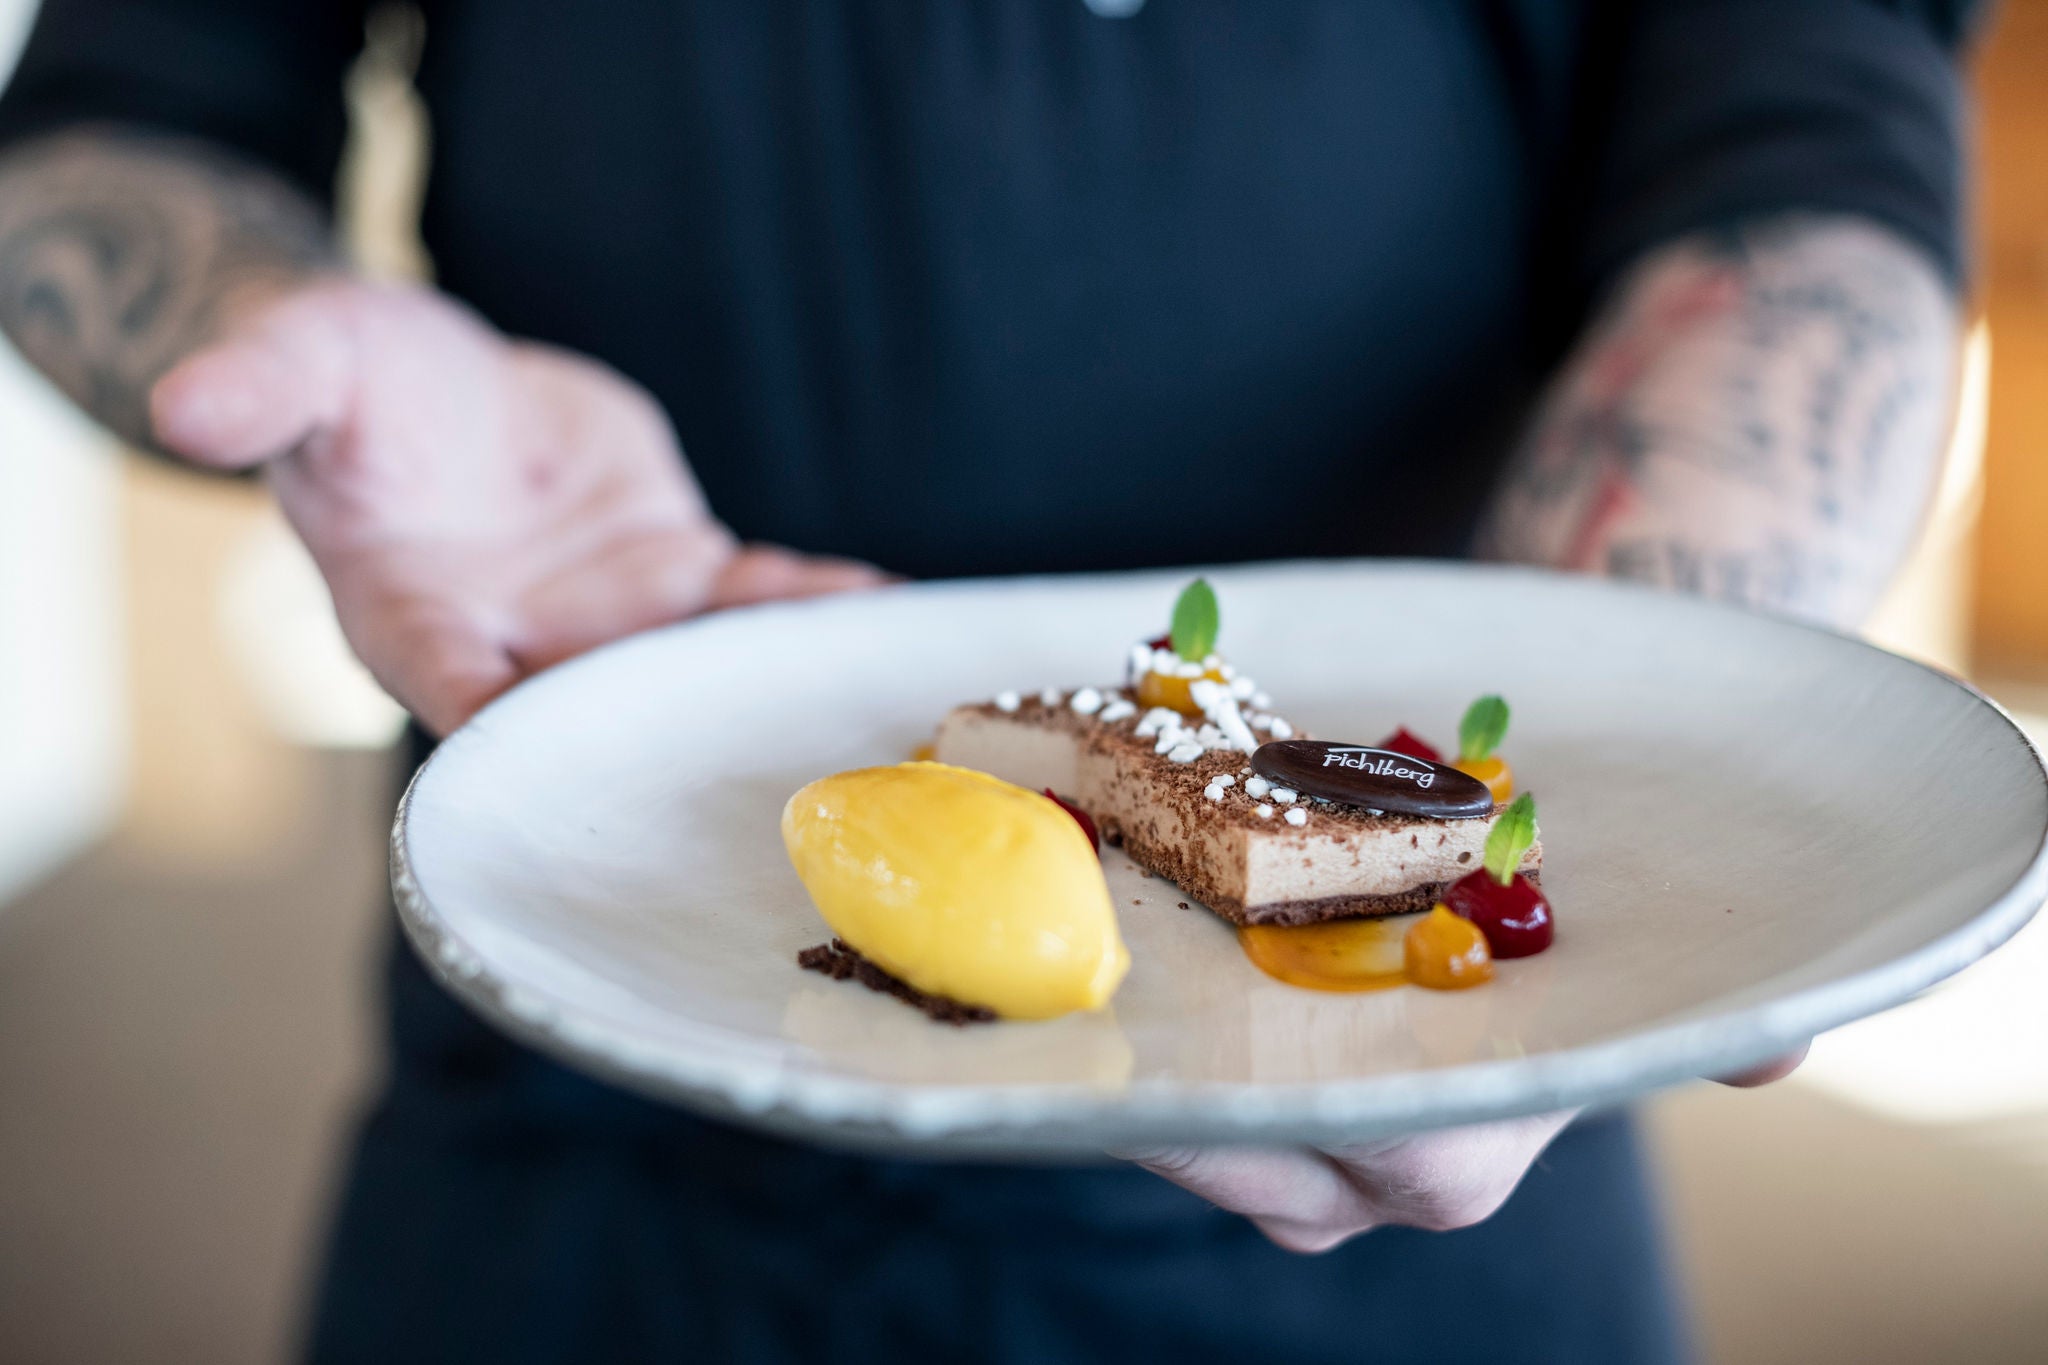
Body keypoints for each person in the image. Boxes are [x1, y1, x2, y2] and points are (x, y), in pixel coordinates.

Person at [0, 1, 1971, 1361]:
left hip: (1418, 1142)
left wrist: (1603, 698)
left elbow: (1802, 140)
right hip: (589, 1074)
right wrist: (284, 330)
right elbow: (112, 125)